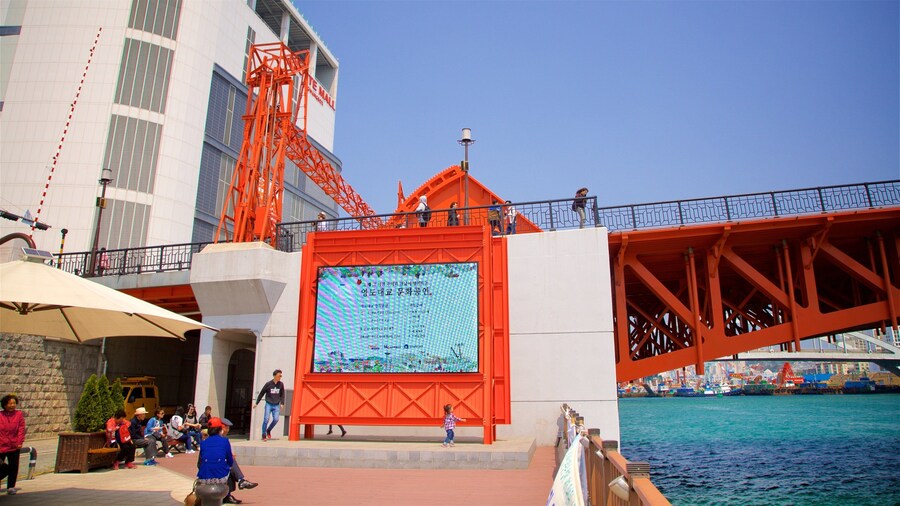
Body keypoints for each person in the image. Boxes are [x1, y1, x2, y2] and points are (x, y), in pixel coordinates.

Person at [213, 417, 258, 504]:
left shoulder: (207, 441)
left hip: (213, 468)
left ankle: (230, 493)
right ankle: (240, 481)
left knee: (230, 469)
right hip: (214, 469)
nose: (228, 430)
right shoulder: (222, 441)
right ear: (221, 428)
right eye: (226, 428)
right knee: (230, 466)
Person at [195, 417, 234, 505]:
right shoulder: (225, 441)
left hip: (204, 477)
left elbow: (200, 462)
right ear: (220, 429)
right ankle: (228, 496)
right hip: (220, 476)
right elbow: (230, 460)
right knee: (228, 470)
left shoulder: (203, 442)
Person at [0, 394, 25, 495]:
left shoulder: (18, 414)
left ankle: (11, 486)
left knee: (14, 466)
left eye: (14, 403)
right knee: (2, 467)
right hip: (1, 445)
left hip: (14, 446)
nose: (12, 405)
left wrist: (19, 442)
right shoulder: (0, 415)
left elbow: (21, 429)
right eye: (10, 403)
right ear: (5, 405)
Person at [254, 369, 285, 441]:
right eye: (279, 376)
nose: (280, 377)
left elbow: (282, 394)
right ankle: (264, 434)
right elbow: (262, 393)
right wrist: (256, 403)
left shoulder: (281, 384)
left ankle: (269, 430)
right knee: (266, 419)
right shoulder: (268, 384)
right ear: (274, 376)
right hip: (269, 403)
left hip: (276, 404)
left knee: (276, 419)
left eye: (281, 376)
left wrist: (282, 403)